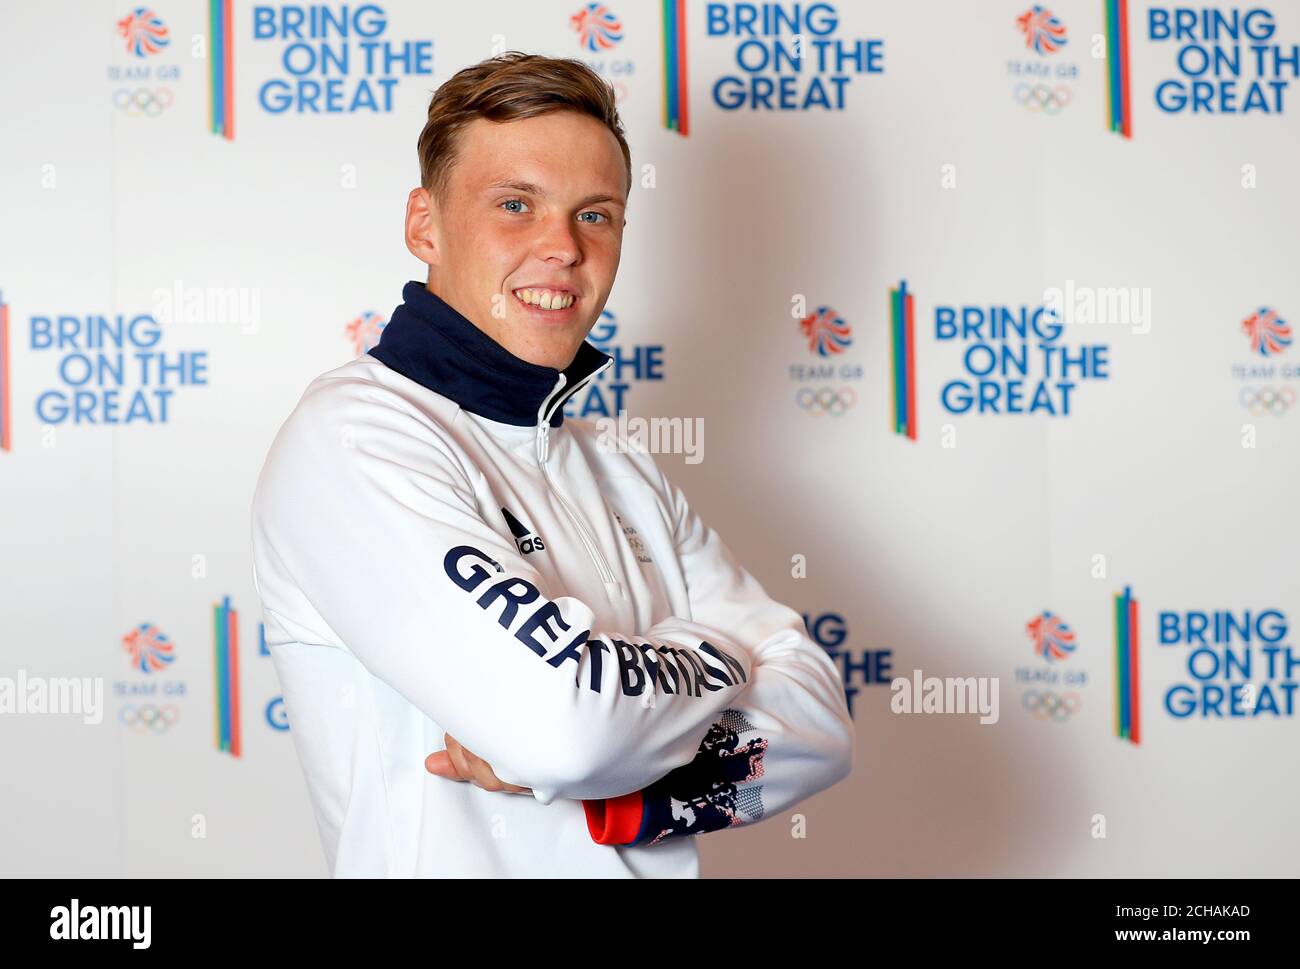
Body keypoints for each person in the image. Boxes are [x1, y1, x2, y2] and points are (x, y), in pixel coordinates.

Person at [250, 52, 854, 878]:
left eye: (594, 215)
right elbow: (567, 730)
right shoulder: (355, 436)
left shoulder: (620, 465)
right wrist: (716, 656)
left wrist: (624, 788)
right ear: (425, 225)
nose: (563, 247)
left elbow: (821, 726)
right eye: (515, 204)